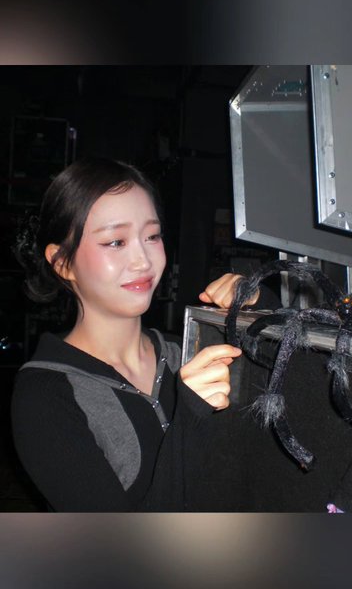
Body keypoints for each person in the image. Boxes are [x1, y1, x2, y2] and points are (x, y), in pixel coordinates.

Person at [11, 156, 258, 512]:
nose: (143, 261)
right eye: (116, 242)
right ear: (63, 262)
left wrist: (258, 308)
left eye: (152, 236)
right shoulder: (45, 396)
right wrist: (189, 418)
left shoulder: (188, 351)